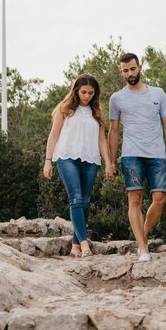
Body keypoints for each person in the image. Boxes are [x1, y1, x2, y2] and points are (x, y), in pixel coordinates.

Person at [108, 53, 166, 262]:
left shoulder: (158, 93)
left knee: (160, 199)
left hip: (156, 154)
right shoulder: (117, 98)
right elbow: (113, 131)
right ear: (121, 72)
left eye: (133, 69)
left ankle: (143, 236)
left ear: (140, 68)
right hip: (131, 155)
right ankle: (143, 249)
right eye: (125, 70)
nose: (130, 73)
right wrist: (110, 162)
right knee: (135, 199)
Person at [43, 74, 115, 258]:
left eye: (91, 93)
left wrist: (108, 163)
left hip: (90, 160)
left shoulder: (96, 112)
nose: (87, 96)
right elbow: (53, 135)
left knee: (84, 202)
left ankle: (75, 245)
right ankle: (84, 244)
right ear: (76, 90)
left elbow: (101, 140)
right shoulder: (65, 109)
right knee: (75, 198)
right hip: (67, 157)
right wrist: (48, 161)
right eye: (83, 92)